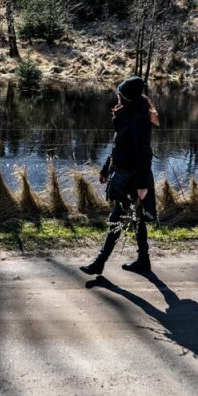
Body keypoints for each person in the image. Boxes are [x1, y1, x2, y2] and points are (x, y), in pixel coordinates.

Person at [80, 76, 160, 276]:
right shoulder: (127, 115)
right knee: (137, 219)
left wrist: (142, 184)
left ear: (127, 98)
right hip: (121, 174)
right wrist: (106, 169)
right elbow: (119, 147)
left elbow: (144, 153)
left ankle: (100, 262)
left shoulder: (141, 120)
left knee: (116, 218)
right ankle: (144, 261)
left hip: (133, 179)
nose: (117, 97)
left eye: (120, 94)